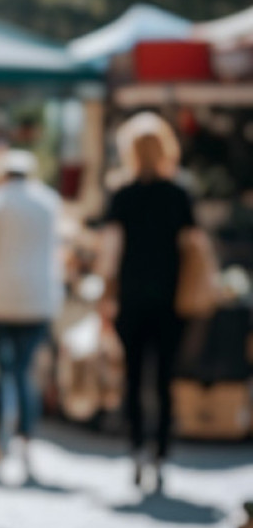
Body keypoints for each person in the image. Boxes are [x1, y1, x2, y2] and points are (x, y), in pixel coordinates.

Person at [99, 112, 198, 492]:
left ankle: (138, 447)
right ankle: (161, 453)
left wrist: (106, 296)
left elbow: (111, 250)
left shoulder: (124, 194)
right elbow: (193, 245)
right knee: (165, 378)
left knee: (135, 376)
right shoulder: (178, 193)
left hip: (133, 297)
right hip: (172, 298)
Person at [0, 149, 61, 483]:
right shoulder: (47, 202)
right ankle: (25, 439)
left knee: (2, 371)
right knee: (24, 373)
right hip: (37, 299)